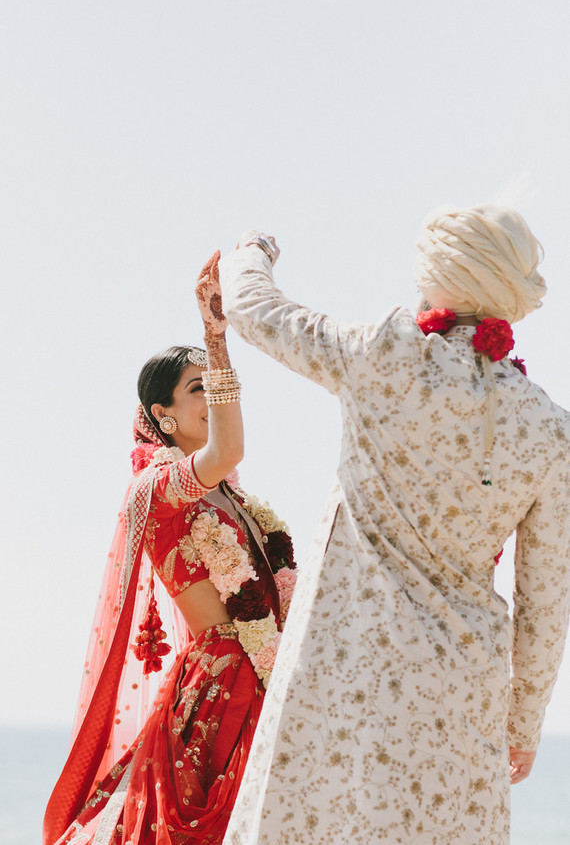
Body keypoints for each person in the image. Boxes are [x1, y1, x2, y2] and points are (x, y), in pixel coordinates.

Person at [217, 212, 570, 845]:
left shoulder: (385, 353)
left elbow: (257, 312)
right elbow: (546, 598)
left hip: (346, 667)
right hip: (463, 690)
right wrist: (522, 726)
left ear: (439, 276)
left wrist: (253, 250)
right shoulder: (548, 428)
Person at [43, 252, 297, 845]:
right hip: (222, 690)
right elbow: (229, 448)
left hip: (272, 673)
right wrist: (217, 340)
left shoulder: (233, 497)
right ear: (163, 415)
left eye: (213, 386)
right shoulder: (160, 490)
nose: (211, 397)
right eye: (197, 388)